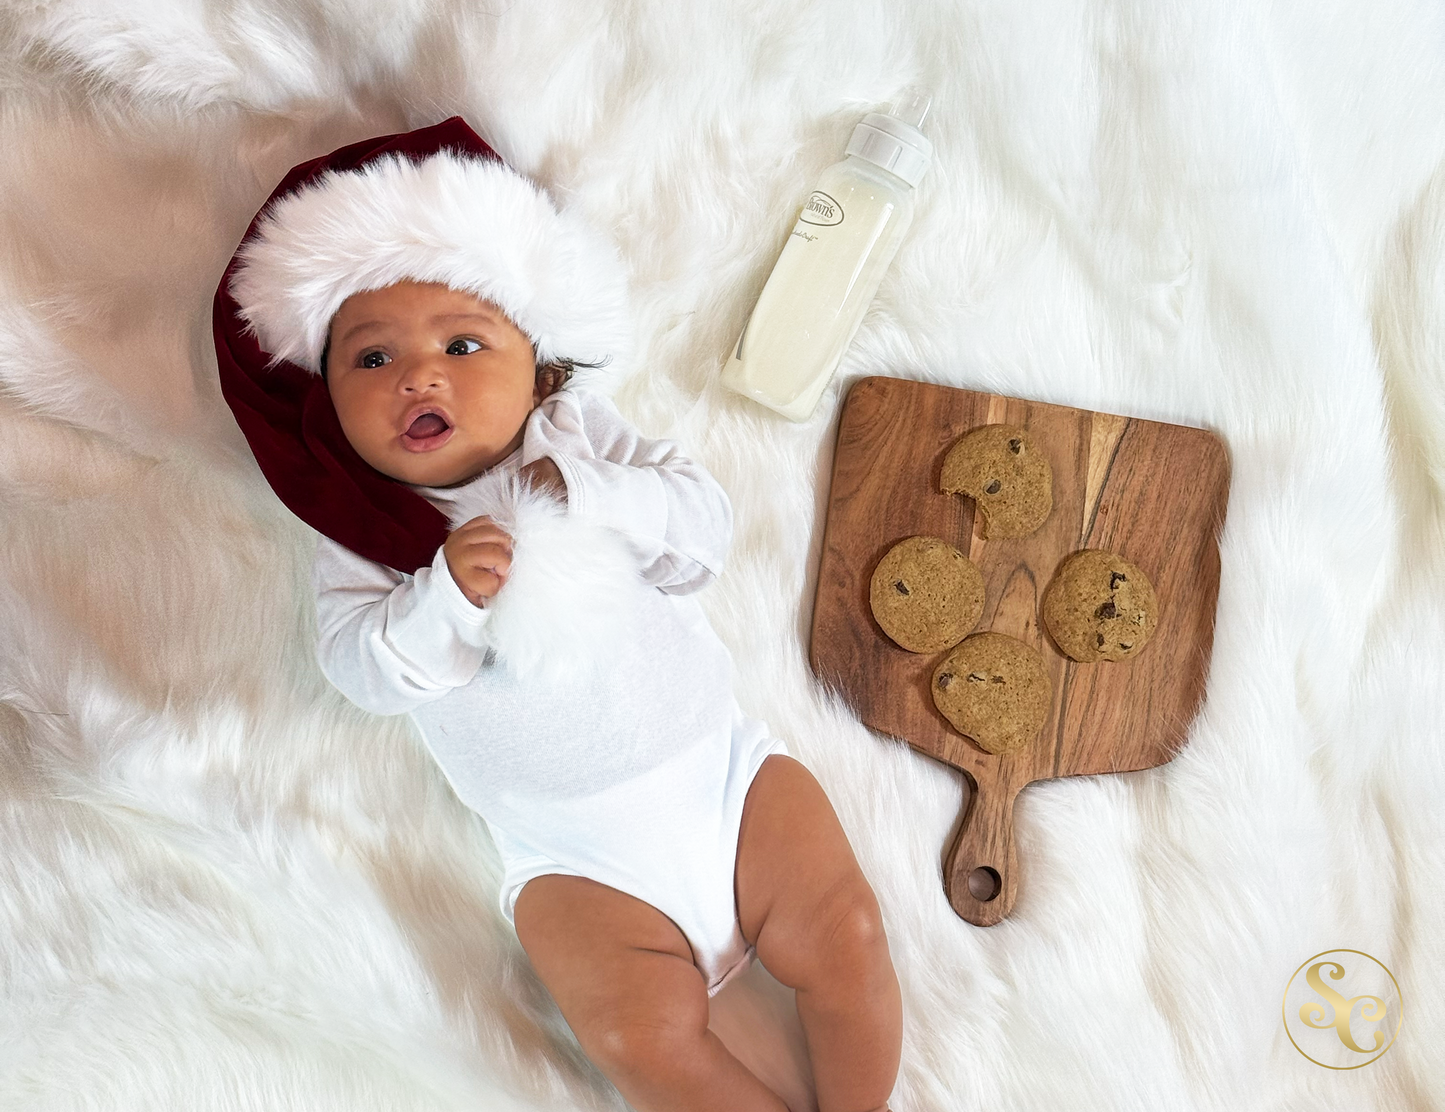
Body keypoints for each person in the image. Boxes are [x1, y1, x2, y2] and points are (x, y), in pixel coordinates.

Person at [219, 120, 902, 1112]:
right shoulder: (363, 534)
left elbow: (702, 531)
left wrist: (592, 492)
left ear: (540, 364)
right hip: (571, 855)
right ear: (323, 402)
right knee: (634, 1034)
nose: (418, 374)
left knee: (846, 930)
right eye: (370, 359)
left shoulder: (577, 435)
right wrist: (440, 596)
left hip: (719, 778)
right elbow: (361, 673)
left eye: (462, 342)